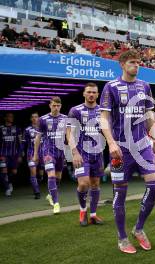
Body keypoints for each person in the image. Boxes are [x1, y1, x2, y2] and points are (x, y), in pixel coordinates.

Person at [100, 50, 155, 254]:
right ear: (122, 64)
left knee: (154, 186)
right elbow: (104, 118)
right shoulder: (111, 87)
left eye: (139, 62)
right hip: (121, 149)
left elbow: (149, 114)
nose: (137, 65)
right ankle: (122, 238)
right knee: (120, 194)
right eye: (133, 62)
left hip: (142, 145)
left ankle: (139, 228)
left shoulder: (145, 86)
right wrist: (111, 143)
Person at [67, 83, 105, 226]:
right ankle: (83, 211)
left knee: (95, 183)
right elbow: (68, 132)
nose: (91, 94)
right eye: (88, 92)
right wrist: (74, 152)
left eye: (94, 92)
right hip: (81, 153)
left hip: (97, 154)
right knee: (84, 184)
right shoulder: (75, 110)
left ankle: (93, 215)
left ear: (97, 94)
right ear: (84, 93)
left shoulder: (102, 111)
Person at [33, 97, 67, 214]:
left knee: (58, 178)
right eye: (54, 105)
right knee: (51, 175)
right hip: (48, 152)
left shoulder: (65, 119)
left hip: (60, 152)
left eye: (58, 106)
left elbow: (69, 136)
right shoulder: (43, 119)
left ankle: (50, 195)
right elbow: (37, 138)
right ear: (50, 105)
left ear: (61, 106)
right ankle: (56, 203)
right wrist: (35, 154)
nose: (56, 108)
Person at [0, 112, 23, 197]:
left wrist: (20, 154)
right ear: (5, 118)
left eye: (12, 116)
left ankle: (9, 182)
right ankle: (7, 189)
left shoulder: (17, 128)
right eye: (9, 117)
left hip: (14, 154)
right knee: (4, 171)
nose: (11, 118)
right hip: (3, 154)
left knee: (14, 172)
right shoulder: (1, 128)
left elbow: (20, 142)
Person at [24, 112, 44, 199]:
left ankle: (37, 182)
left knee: (40, 174)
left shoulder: (43, 128)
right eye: (33, 117)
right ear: (31, 119)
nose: (35, 118)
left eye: (36, 117)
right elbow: (24, 142)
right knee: (33, 173)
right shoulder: (27, 130)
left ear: (39, 118)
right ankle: (37, 192)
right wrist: (22, 152)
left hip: (42, 154)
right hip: (31, 154)